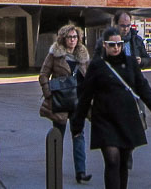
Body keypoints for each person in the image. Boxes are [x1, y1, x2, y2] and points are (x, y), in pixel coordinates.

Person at [71, 26, 151, 189]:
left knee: (123, 160)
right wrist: (77, 123)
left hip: (127, 118)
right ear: (105, 45)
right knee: (112, 159)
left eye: (119, 44)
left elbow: (142, 86)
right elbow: (86, 95)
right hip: (104, 119)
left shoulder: (129, 63)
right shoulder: (97, 66)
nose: (116, 48)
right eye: (112, 45)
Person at [40, 23, 91, 183]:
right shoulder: (55, 54)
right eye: (69, 37)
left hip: (78, 102)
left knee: (79, 135)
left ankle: (81, 172)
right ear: (63, 38)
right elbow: (43, 74)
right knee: (58, 136)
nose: (72, 40)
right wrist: (48, 93)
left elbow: (90, 77)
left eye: (75, 37)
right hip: (60, 101)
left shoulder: (83, 56)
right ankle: (55, 169)